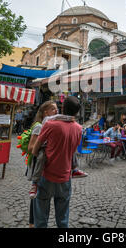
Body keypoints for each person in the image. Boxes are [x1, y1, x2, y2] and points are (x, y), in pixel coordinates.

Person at [32, 96, 83, 228]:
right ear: (76, 112)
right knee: (63, 219)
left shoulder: (50, 124)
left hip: (47, 176)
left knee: (41, 218)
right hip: (65, 177)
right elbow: (73, 151)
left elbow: (35, 149)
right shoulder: (78, 128)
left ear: (62, 108)